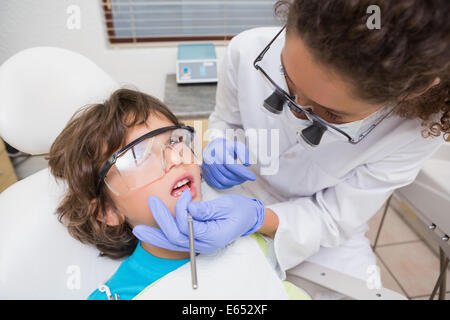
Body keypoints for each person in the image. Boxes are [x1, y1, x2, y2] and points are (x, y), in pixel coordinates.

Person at [137, 0, 449, 289]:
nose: (295, 109)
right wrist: (220, 142)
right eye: (287, 79)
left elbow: (335, 217)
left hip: (322, 235)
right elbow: (225, 122)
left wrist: (259, 218)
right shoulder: (247, 50)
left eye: (329, 113)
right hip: (235, 194)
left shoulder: (414, 131)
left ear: (410, 92)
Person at [47, 88, 292, 300]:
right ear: (107, 211)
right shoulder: (120, 294)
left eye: (175, 140)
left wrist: (258, 218)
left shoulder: (243, 231)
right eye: (138, 154)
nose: (177, 157)